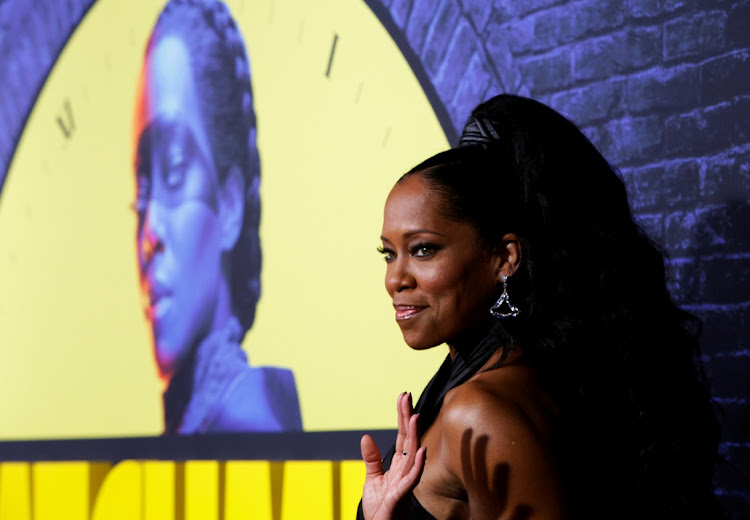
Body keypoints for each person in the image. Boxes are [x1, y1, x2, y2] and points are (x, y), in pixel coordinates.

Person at [358, 94, 722, 519]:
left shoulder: (480, 412)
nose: (395, 279)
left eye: (423, 250)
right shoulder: (476, 386)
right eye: (389, 253)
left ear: (504, 258)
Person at [133, 0, 302, 434]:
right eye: (141, 191)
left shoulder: (248, 419)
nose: (149, 231)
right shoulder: (195, 415)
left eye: (173, 170)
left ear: (229, 205)